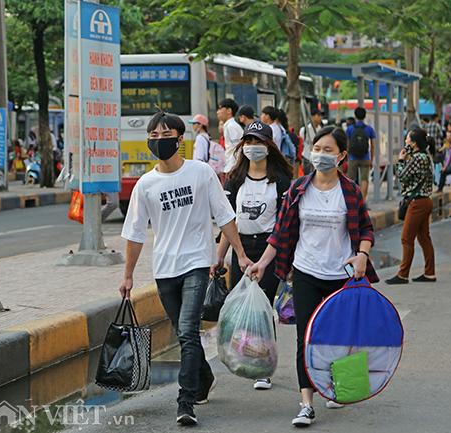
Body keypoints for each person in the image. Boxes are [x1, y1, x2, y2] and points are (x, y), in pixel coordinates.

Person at [119, 112, 253, 426]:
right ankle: (204, 379)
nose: (158, 139)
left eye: (166, 134)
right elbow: (135, 234)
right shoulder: (146, 184)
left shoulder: (201, 172)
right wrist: (127, 275)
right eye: (153, 135)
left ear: (180, 140)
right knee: (183, 333)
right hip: (164, 269)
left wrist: (240, 254)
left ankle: (185, 401)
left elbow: (224, 215)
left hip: (196, 264)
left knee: (189, 331)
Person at [248, 126, 377, 426]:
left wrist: (362, 254)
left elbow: (367, 229)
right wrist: (263, 263)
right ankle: (306, 403)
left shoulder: (350, 191)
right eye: (317, 148)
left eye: (328, 150)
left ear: (342, 155)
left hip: (339, 276)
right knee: (306, 338)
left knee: (336, 336)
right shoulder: (298, 189)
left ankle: (335, 386)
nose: (320, 155)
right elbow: (279, 234)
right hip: (305, 272)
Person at [212, 120, 292, 390]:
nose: (253, 147)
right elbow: (227, 221)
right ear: (242, 145)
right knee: (241, 306)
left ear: (269, 146)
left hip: (269, 248)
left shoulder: (281, 180)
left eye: (259, 142)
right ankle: (244, 355)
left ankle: (263, 366)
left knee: (262, 307)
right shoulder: (234, 179)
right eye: (249, 142)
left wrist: (283, 258)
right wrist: (220, 257)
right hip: (241, 248)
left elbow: (284, 223)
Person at [386, 129, 436, 285]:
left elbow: (402, 176)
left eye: (407, 139)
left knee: (406, 238)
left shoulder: (417, 158)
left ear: (413, 143)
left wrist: (400, 160)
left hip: (417, 203)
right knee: (423, 238)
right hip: (423, 201)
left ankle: (403, 274)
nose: (405, 142)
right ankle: (429, 273)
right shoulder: (424, 156)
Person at [346, 107, 376, 200]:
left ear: (355, 116)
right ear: (365, 116)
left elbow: (347, 146)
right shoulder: (369, 129)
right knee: (364, 180)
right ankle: (362, 201)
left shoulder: (349, 129)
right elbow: (373, 146)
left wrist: (347, 158)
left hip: (352, 158)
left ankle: (350, 199)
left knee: (350, 180)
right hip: (365, 157)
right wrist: (371, 160)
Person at [217, 99, 243, 176]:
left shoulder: (232, 126)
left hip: (233, 167)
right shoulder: (229, 126)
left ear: (229, 111)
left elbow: (237, 148)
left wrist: (234, 167)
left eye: (220, 109)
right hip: (231, 166)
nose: (218, 112)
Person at [299, 108, 324, 176]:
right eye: (318, 115)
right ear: (312, 117)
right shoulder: (304, 130)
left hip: (319, 158)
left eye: (321, 116)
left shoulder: (322, 130)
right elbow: (302, 144)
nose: (320, 118)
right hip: (307, 157)